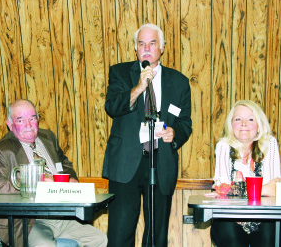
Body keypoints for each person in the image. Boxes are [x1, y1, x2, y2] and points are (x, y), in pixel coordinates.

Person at [103, 23, 192, 246]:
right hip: (125, 165)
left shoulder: (179, 81)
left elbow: (185, 122)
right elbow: (112, 107)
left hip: (161, 163)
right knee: (119, 234)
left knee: (156, 236)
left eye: (152, 43)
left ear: (162, 48)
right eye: (141, 43)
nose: (147, 48)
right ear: (136, 49)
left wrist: (175, 132)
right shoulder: (120, 73)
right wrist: (138, 88)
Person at [0, 99, 107, 247]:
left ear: (38, 119)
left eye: (32, 118)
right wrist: (33, 183)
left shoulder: (48, 138)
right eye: (20, 120)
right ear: (9, 124)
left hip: (61, 216)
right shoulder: (1, 150)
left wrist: (71, 178)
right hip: (29, 222)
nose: (28, 125)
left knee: (99, 239)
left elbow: (64, 163)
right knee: (44, 245)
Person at [207, 100, 281, 247]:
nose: (244, 123)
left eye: (250, 119)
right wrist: (262, 189)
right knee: (228, 233)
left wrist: (234, 189)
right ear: (231, 125)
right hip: (230, 218)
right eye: (238, 119)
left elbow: (275, 189)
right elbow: (222, 188)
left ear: (259, 125)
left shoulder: (269, 143)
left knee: (269, 235)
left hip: (265, 218)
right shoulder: (223, 146)